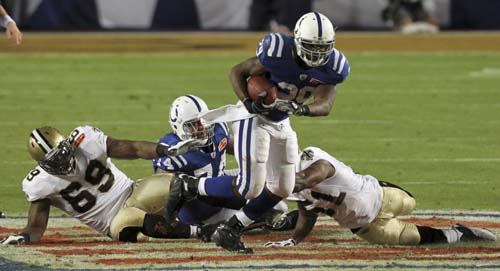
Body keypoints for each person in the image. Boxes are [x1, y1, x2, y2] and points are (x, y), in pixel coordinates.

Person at [165, 12, 350, 253]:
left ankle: (231, 229)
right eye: (310, 46)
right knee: (249, 187)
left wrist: (300, 108)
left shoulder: (334, 67)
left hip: (281, 120)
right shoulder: (277, 51)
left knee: (284, 187)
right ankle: (190, 186)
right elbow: (237, 71)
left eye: (321, 47)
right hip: (252, 117)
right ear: (296, 40)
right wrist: (248, 101)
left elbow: (325, 105)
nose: (316, 53)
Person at [0, 125, 202, 245]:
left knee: (180, 183)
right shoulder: (39, 183)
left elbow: (132, 148)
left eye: (62, 153)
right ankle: (203, 232)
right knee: (127, 222)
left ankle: (229, 205)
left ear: (67, 144)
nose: (62, 162)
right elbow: (35, 227)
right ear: (42, 164)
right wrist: (23, 237)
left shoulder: (84, 139)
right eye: (54, 161)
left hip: (135, 192)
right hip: (115, 222)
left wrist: (164, 150)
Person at [264, 146, 497, 247]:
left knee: (410, 203)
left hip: (383, 195)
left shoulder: (310, 157)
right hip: (365, 227)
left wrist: (293, 182)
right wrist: (294, 239)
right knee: (411, 240)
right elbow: (307, 216)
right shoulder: (295, 189)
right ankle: (460, 234)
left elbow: (319, 171)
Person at [158, 95, 290, 232]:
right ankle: (207, 229)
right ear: (178, 126)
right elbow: (162, 191)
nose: (201, 127)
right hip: (201, 212)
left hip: (220, 187)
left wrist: (264, 155)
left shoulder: (217, 129)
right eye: (193, 124)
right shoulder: (172, 149)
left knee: (268, 179)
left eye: (203, 121)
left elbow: (233, 146)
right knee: (268, 212)